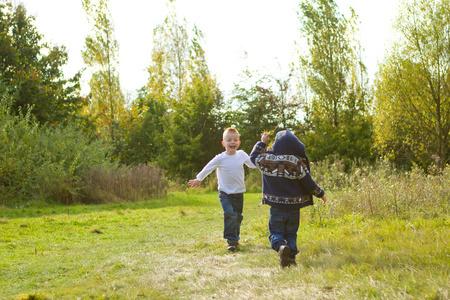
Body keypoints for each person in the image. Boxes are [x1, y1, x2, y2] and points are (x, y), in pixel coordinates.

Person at [250, 130, 327, 268]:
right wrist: (320, 193)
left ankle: (281, 247)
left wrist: (262, 142)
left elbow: (253, 157)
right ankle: (290, 259)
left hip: (276, 207)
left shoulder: (267, 159)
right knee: (291, 233)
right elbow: (308, 183)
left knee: (275, 232)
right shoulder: (296, 162)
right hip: (294, 207)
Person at [188, 127, 256, 251]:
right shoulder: (220, 158)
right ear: (224, 143)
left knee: (238, 217)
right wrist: (199, 179)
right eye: (229, 140)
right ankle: (231, 241)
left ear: (239, 143)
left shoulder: (242, 155)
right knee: (230, 214)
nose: (232, 142)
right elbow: (208, 167)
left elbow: (252, 165)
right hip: (225, 193)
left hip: (239, 193)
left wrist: (262, 157)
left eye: (235, 140)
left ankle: (235, 239)